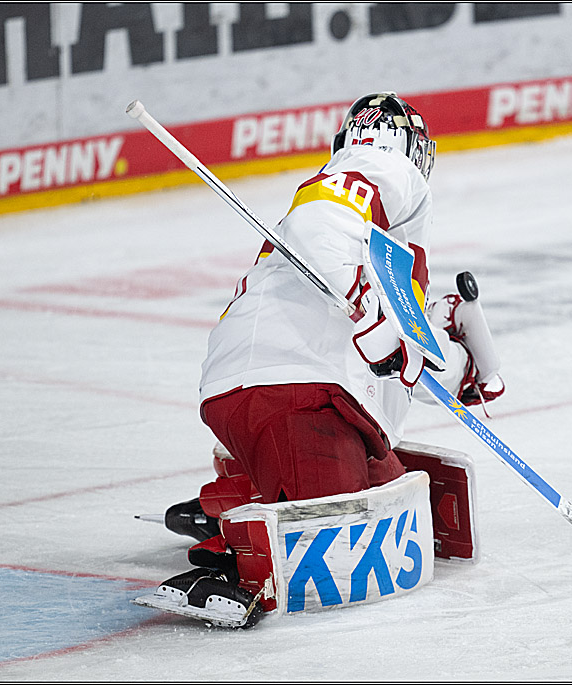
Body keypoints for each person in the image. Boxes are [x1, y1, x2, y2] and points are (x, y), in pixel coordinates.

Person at [156, 92, 504, 625]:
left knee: (391, 494)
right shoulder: (385, 166)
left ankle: (235, 496)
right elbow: (315, 226)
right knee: (351, 543)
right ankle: (229, 559)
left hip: (269, 387)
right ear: (408, 143)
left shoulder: (379, 242)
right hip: (293, 388)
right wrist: (372, 316)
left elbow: (391, 360)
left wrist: (448, 353)